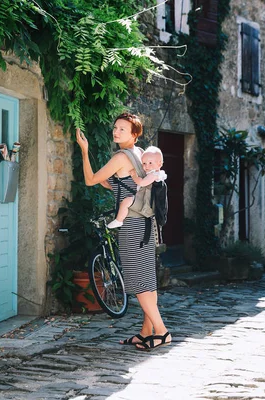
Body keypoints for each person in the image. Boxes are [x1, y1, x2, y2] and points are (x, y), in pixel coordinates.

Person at [76, 112, 172, 350]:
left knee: (138, 281)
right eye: (115, 127)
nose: (116, 132)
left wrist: (85, 150)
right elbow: (121, 185)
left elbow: (89, 180)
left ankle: (161, 331)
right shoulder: (140, 154)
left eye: (122, 129)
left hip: (132, 225)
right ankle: (145, 332)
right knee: (148, 280)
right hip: (147, 224)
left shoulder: (121, 157)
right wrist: (106, 179)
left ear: (134, 134)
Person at [107, 146, 167, 229]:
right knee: (126, 203)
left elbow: (141, 183)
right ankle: (120, 220)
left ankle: (119, 220)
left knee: (126, 202)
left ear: (159, 164)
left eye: (150, 163)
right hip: (144, 200)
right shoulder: (152, 174)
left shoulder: (155, 175)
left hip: (147, 205)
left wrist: (134, 175)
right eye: (144, 163)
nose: (147, 166)